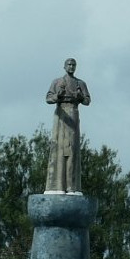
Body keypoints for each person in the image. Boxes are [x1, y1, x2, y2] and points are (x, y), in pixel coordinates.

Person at [45, 58, 91, 194]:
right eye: (69, 65)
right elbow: (48, 98)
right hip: (60, 114)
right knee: (58, 148)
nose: (71, 67)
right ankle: (56, 185)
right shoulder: (57, 82)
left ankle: (72, 186)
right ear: (64, 67)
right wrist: (57, 97)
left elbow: (88, 100)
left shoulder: (80, 83)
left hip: (73, 114)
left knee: (72, 150)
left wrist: (80, 97)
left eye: (73, 65)